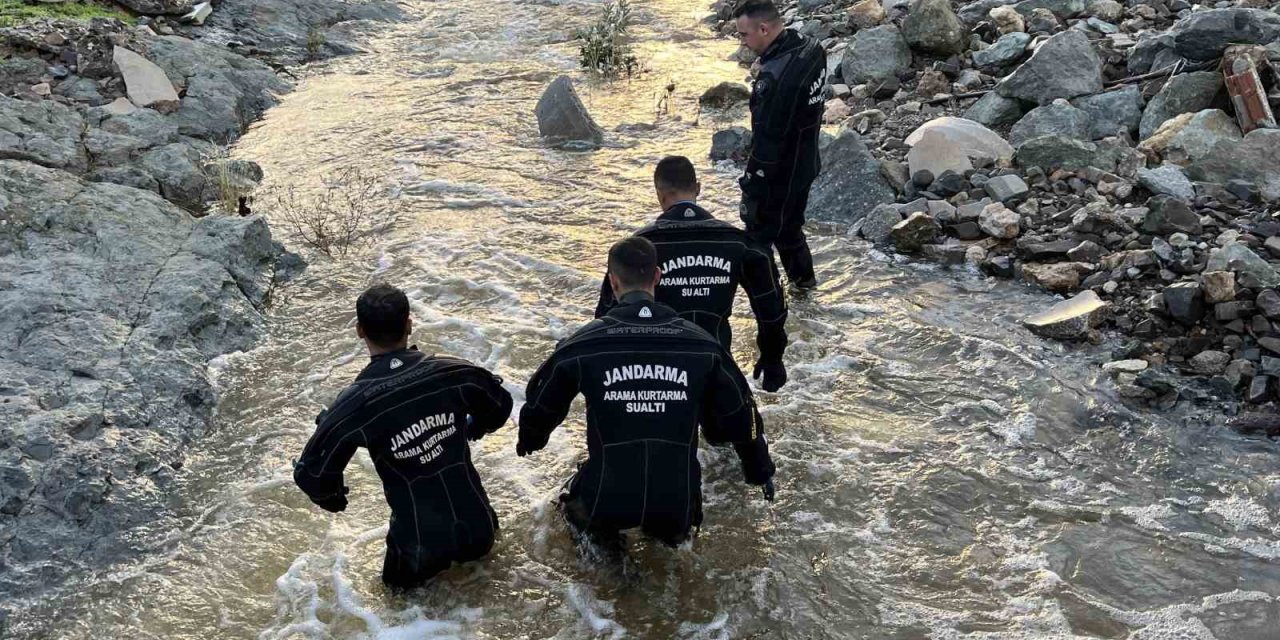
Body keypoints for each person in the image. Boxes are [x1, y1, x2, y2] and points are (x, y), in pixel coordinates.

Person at [519, 237, 776, 551]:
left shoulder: (583, 345)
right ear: (657, 276)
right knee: (673, 554)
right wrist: (759, 469)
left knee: (569, 505)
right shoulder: (704, 345)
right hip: (677, 502)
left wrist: (530, 439)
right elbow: (741, 413)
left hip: (609, 497)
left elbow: (541, 401)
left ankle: (617, 580)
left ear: (612, 282)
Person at [292, 284, 513, 589]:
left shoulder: (355, 404)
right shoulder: (454, 372)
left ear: (359, 330)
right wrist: (471, 429)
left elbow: (312, 476)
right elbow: (500, 406)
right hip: (479, 526)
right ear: (410, 324)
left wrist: (336, 500)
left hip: (417, 548)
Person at [595, 155, 790, 392]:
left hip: (660, 374)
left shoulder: (639, 246)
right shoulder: (739, 243)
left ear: (659, 194)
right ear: (698, 188)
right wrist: (772, 358)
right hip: (716, 367)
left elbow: (607, 318)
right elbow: (769, 310)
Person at [734, 0, 827, 291]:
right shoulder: (811, 47)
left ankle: (769, 304)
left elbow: (767, 143)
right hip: (807, 158)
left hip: (781, 171)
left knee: (759, 235)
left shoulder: (774, 81)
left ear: (764, 29)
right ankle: (804, 290)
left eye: (744, 35)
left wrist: (752, 183)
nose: (742, 42)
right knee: (790, 229)